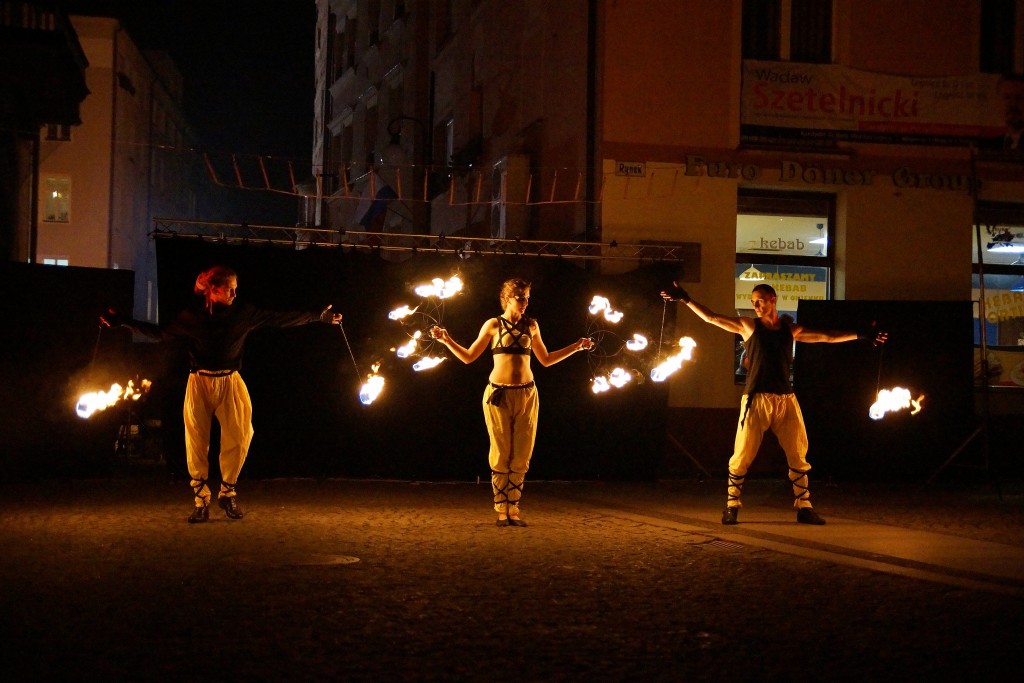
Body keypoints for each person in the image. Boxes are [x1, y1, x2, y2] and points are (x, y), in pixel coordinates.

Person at [101, 265, 342, 523]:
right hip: (200, 383)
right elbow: (159, 333)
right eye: (230, 290)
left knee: (239, 436)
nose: (235, 294)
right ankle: (201, 501)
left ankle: (228, 493)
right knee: (196, 441)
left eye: (236, 289)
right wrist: (123, 321)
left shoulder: (244, 313)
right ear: (214, 290)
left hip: (230, 382)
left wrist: (318, 316)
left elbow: (279, 319)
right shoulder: (192, 316)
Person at [661, 282, 886, 526]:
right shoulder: (748, 326)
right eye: (753, 301)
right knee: (742, 454)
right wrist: (685, 298)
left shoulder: (790, 330)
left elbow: (826, 336)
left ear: (772, 300)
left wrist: (862, 334)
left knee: (798, 452)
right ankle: (732, 506)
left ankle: (804, 507)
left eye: (760, 300)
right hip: (756, 399)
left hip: (786, 399)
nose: (755, 305)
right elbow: (712, 318)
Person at [429, 277, 594, 527]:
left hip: (527, 394)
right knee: (501, 451)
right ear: (507, 298)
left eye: (527, 297)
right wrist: (446, 340)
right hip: (498, 394)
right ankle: (501, 509)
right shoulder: (493, 325)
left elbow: (546, 359)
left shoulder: (532, 325)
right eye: (520, 297)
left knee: (522, 452)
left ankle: (514, 507)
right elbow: (469, 357)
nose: (525, 302)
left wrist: (577, 347)